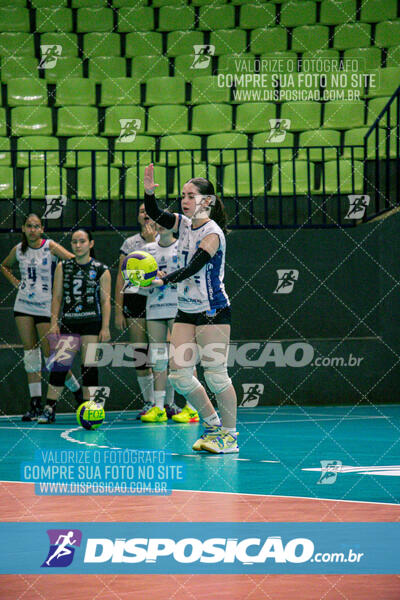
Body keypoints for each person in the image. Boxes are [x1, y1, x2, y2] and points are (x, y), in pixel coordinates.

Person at [143, 164, 238, 454]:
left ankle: (230, 436)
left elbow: (194, 265)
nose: (185, 200)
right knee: (179, 375)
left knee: (216, 375)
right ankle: (212, 426)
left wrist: (163, 279)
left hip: (213, 310)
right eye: (183, 195)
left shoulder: (213, 232)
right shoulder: (182, 223)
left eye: (191, 195)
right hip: (186, 310)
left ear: (206, 201)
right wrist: (149, 193)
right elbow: (157, 215)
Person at [0, 213, 83, 421]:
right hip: (23, 306)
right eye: (29, 226)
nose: (32, 230)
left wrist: (61, 286)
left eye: (36, 226)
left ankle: (78, 393)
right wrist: (17, 283)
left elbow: (73, 261)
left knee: (52, 358)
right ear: (23, 229)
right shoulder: (19, 250)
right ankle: (35, 404)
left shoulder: (50, 246)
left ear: (42, 229)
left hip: (45, 307)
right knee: (30, 355)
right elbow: (4, 265)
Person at [38, 229, 111, 424]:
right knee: (60, 365)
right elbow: (57, 297)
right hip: (70, 320)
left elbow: (105, 301)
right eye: (74, 242)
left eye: (82, 241)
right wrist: (54, 323)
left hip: (91, 322)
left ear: (91, 244)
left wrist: (105, 327)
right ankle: (49, 408)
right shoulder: (64, 266)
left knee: (89, 366)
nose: (78, 245)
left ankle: (91, 409)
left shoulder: (101, 269)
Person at [142, 222, 199, 423]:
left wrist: (169, 279)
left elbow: (191, 275)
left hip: (178, 308)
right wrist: (148, 279)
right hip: (154, 308)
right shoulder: (147, 250)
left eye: (165, 222)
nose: (161, 226)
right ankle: (159, 407)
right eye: (157, 222)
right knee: (158, 358)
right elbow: (136, 283)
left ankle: (192, 408)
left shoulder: (183, 248)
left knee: (184, 357)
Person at [114, 203, 158, 418]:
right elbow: (121, 277)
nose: (146, 214)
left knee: (161, 354)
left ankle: (164, 404)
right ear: (138, 217)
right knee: (141, 353)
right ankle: (149, 402)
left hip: (160, 300)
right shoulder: (130, 243)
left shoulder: (167, 238)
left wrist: (152, 244)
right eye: (142, 211)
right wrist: (118, 310)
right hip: (135, 299)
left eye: (148, 210)